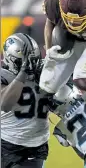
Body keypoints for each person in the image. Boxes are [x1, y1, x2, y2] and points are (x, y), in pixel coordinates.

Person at [1, 33, 51, 168]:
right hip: (8, 144)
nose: (32, 65)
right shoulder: (3, 76)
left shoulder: (43, 72)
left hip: (37, 144)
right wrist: (22, 74)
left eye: (34, 60)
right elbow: (5, 104)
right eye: (26, 62)